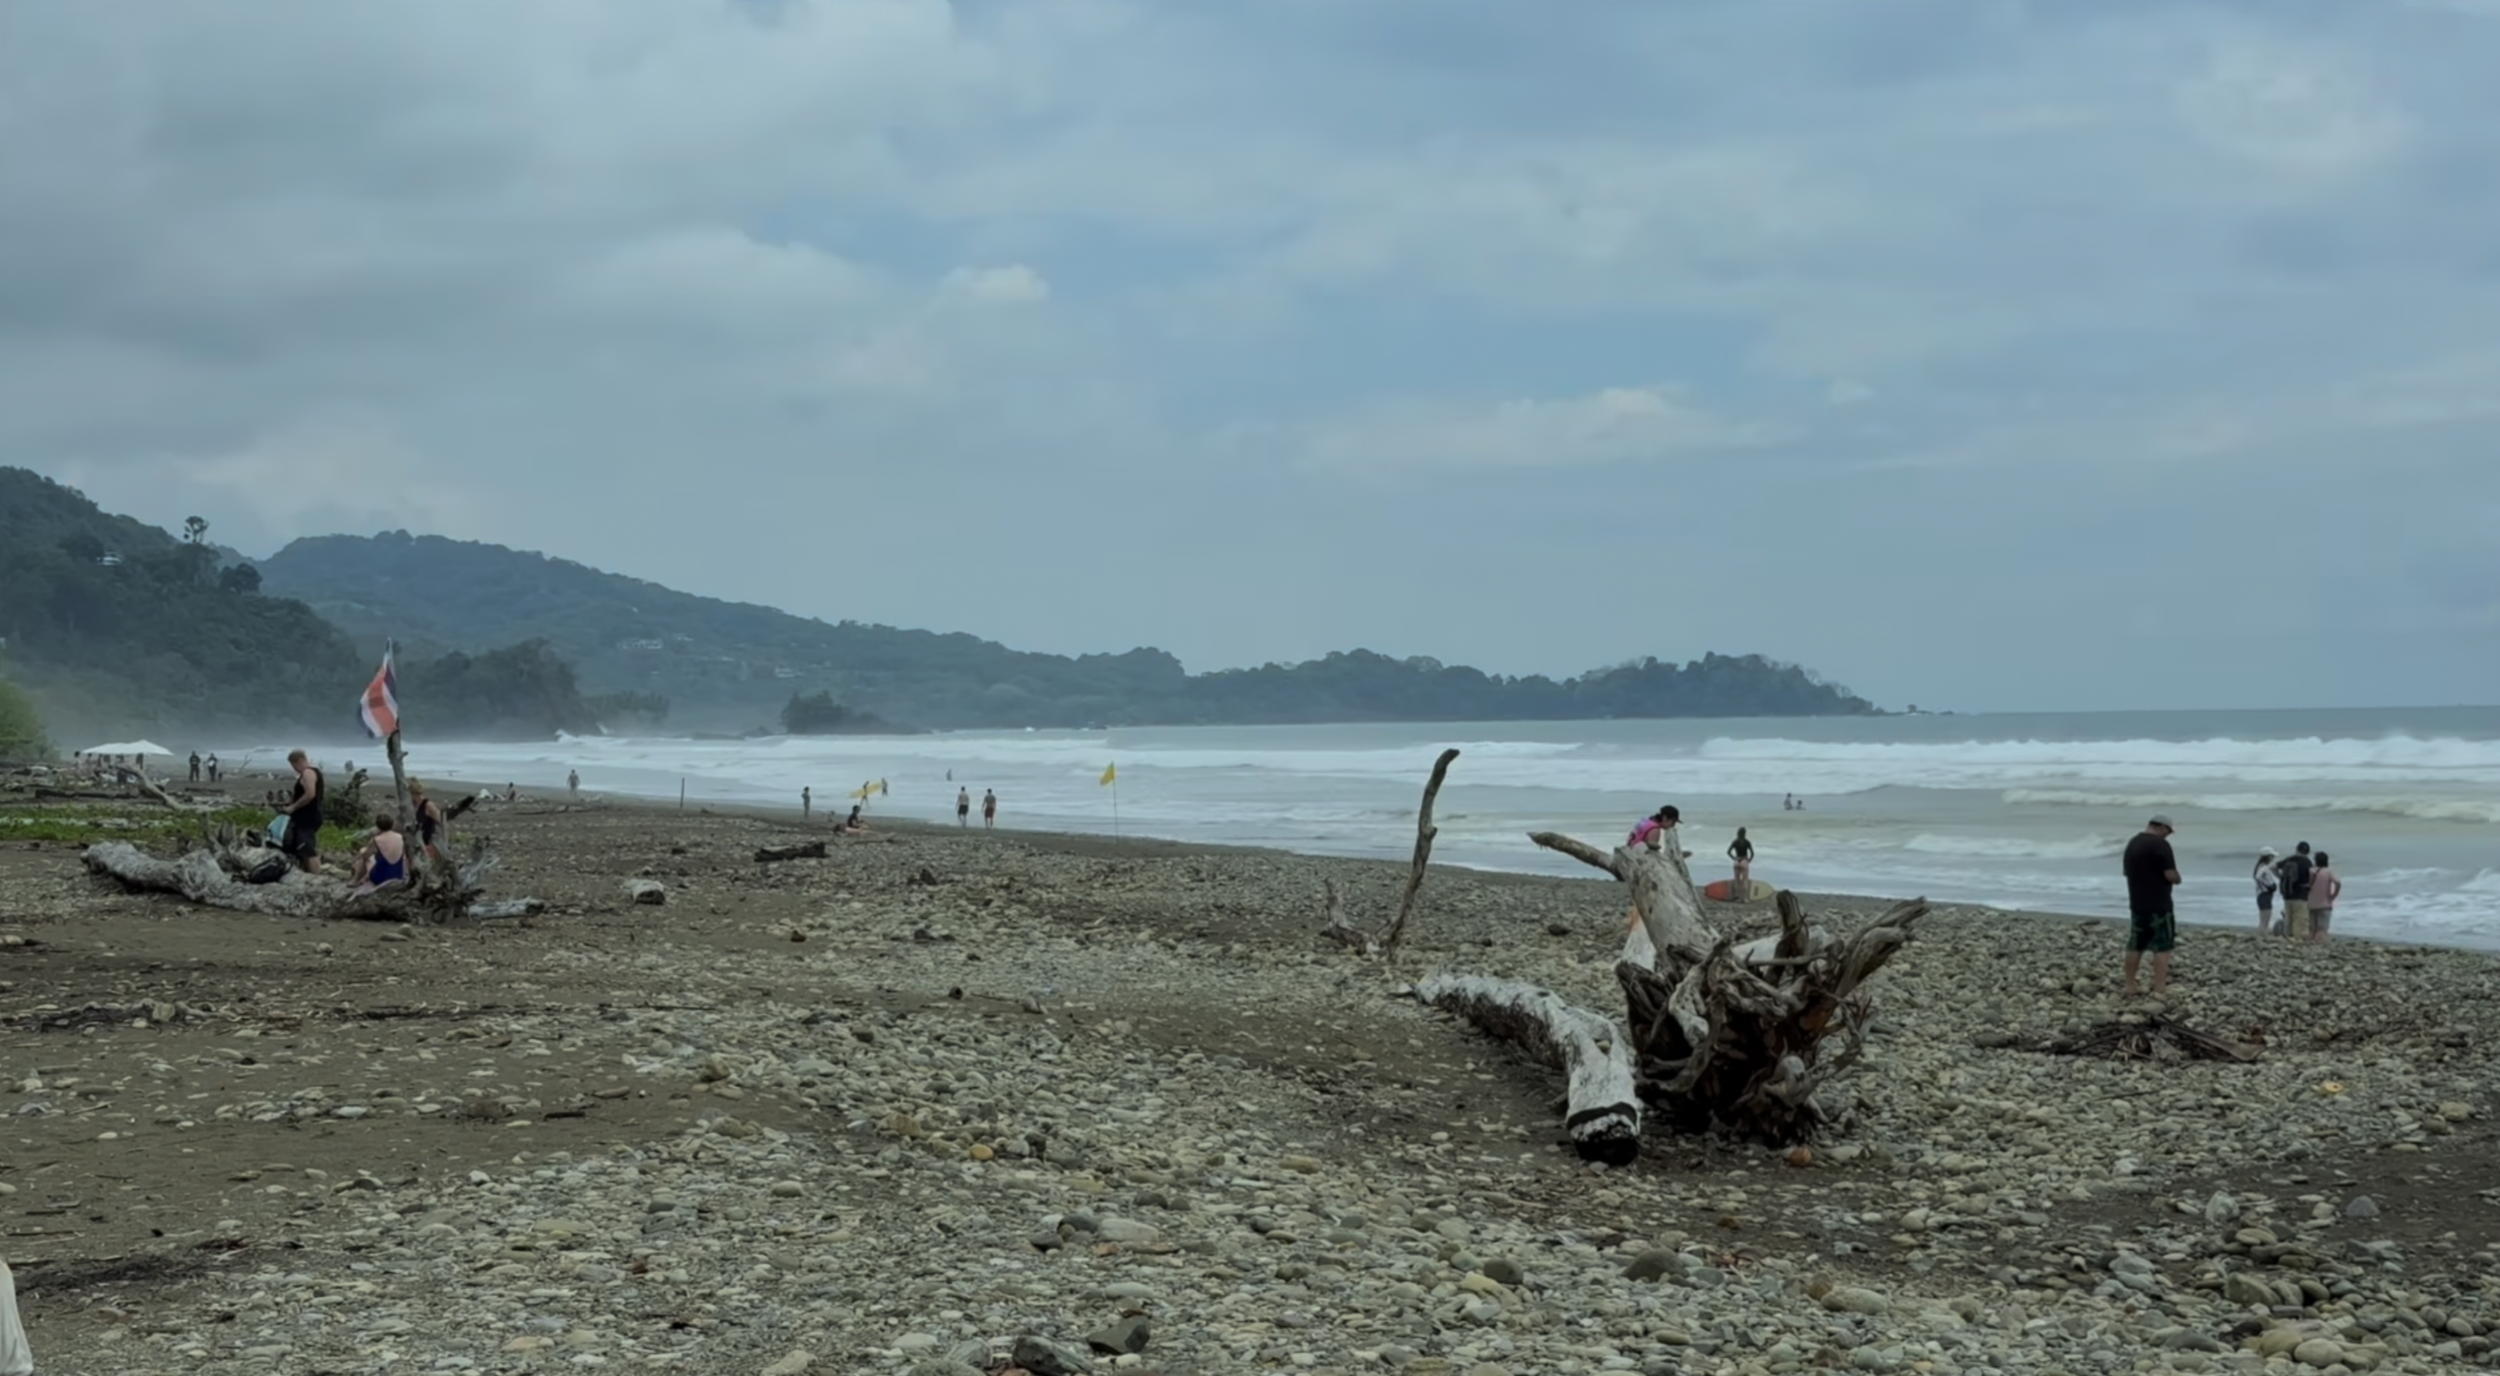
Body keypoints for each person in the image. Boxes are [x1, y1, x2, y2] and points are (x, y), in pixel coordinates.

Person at [2120, 815, 2181, 997]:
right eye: (2168, 831)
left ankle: (2130, 985)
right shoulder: (2160, 845)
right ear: (2161, 827)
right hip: (2159, 903)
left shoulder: (2133, 843)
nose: (2168, 835)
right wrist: (2178, 879)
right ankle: (2160, 986)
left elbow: (2126, 872)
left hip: (2137, 902)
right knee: (2163, 945)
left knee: (2135, 944)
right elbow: (2170, 874)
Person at [279, 749, 326, 873]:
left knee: (307, 846)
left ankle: (315, 874)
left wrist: (293, 807)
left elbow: (310, 794)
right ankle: (308, 871)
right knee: (301, 845)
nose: (294, 769)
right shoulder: (313, 773)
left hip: (308, 816)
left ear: (297, 762)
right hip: (307, 816)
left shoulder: (308, 773)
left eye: (293, 765)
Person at [350, 815, 410, 895]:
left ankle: (355, 880)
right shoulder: (400, 837)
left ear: (377, 826)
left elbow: (365, 856)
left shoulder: (377, 840)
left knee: (364, 855)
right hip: (397, 875)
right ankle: (363, 878)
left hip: (381, 878)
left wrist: (361, 852)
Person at [2276, 842, 2315, 941]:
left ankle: (2287, 938)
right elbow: (2312, 875)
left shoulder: (2289, 859)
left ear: (2297, 849)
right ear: (2308, 852)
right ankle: (2297, 940)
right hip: (2301, 895)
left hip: (2287, 894)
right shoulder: (2307, 862)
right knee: (2300, 920)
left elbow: (2273, 867)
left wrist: (2280, 877)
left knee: (2288, 918)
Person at [410, 780, 448, 862]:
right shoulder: (413, 805)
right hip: (418, 845)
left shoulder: (428, 805)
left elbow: (441, 822)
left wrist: (440, 842)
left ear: (413, 793)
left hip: (429, 844)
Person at [2307, 851, 2341, 942]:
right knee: (2322, 929)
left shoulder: (2310, 871)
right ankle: (2319, 945)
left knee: (2311, 928)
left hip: (2310, 903)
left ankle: (2309, 944)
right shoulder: (2328, 872)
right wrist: (2333, 895)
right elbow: (2338, 883)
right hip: (2325, 904)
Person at [2252, 847, 2280, 937]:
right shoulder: (2264, 868)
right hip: (2264, 894)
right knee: (2265, 919)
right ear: (2268, 857)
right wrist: (2267, 886)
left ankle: (2262, 935)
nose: (2273, 858)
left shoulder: (2261, 867)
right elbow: (2258, 877)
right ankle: (2263, 935)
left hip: (2263, 895)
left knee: (2264, 919)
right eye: (2272, 856)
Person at [1728, 826, 1755, 892]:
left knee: (1736, 880)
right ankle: (1744, 895)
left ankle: (1737, 894)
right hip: (1744, 860)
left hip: (1737, 861)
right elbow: (1752, 853)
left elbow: (1728, 852)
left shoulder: (1735, 842)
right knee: (1745, 879)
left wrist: (1734, 858)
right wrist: (1749, 860)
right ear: (1745, 833)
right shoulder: (1747, 842)